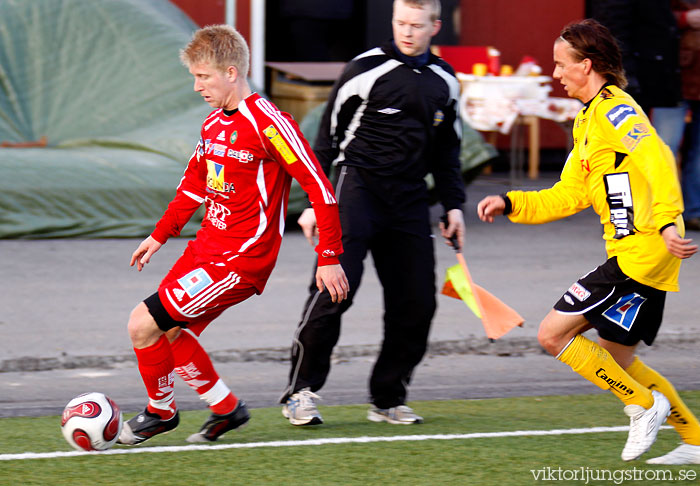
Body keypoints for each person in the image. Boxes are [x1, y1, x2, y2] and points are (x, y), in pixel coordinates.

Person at [477, 19, 700, 463]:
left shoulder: (616, 109)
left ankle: (641, 406)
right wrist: (511, 202)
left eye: (562, 65)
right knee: (618, 359)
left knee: (552, 335)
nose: (556, 73)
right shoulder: (588, 118)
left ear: (588, 65)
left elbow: (655, 157)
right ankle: (694, 440)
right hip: (638, 253)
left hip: (642, 252)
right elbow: (571, 194)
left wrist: (669, 220)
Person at [117, 24, 349, 445]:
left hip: (241, 259)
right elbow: (192, 187)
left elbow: (318, 183)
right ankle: (227, 410)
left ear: (230, 72)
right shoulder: (212, 125)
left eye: (202, 77)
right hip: (205, 249)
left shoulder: (270, 123)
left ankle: (161, 413)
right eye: (194, 77)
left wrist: (330, 255)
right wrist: (159, 236)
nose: (196, 86)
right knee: (170, 333)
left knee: (141, 324)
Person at [279, 0, 466, 426]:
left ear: (434, 26)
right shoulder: (364, 69)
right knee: (333, 293)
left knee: (417, 304)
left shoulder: (445, 80)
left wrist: (454, 205)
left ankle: (387, 398)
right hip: (356, 189)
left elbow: (448, 151)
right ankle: (299, 393)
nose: (408, 32)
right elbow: (325, 140)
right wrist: (311, 204)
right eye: (401, 22)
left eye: (417, 25)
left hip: (410, 200)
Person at [671, 1, 700, 231]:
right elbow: (649, 17)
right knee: (663, 147)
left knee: (699, 151)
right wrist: (683, 19)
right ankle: (659, 213)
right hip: (672, 74)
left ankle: (694, 212)